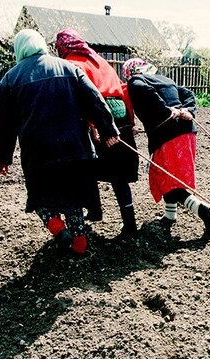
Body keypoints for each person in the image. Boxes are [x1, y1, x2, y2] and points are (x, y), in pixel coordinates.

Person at [0, 29, 120, 256]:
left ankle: (58, 229)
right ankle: (80, 245)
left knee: (39, 196)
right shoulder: (70, 69)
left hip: (38, 154)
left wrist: (2, 158)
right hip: (75, 149)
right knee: (74, 197)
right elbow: (95, 100)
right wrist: (108, 130)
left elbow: (4, 124)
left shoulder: (10, 80)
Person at [55, 28, 139, 238]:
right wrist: (129, 121)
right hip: (120, 115)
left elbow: (87, 98)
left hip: (101, 118)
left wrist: (94, 126)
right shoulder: (99, 60)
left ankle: (93, 211)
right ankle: (129, 223)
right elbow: (121, 88)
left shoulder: (71, 64)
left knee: (84, 166)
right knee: (119, 174)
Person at [122, 57, 210, 237]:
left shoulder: (136, 80)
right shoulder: (165, 79)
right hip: (186, 132)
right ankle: (170, 216)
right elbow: (187, 93)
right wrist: (188, 110)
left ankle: (201, 208)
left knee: (167, 178)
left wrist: (165, 110)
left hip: (167, 135)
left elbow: (141, 89)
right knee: (167, 175)